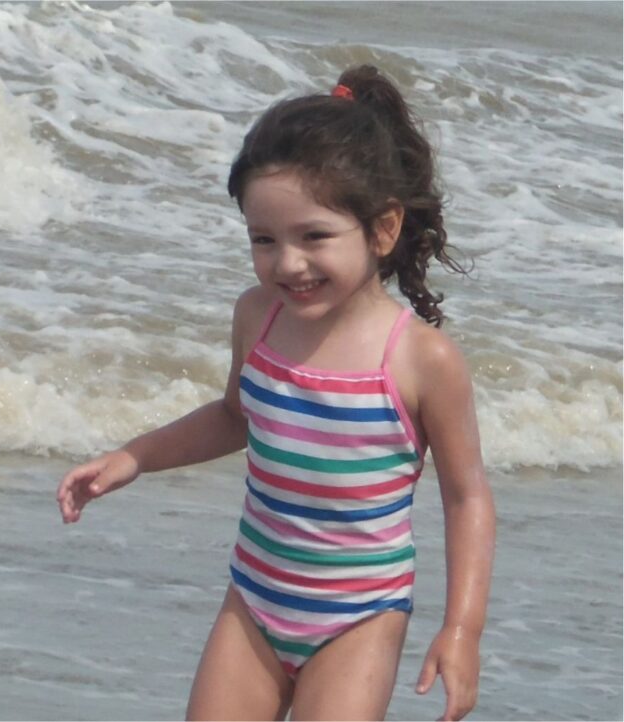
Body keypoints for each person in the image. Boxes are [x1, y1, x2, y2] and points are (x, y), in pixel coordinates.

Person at [56, 65, 495, 722]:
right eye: (264, 239)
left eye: (314, 237)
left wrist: (462, 632)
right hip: (254, 601)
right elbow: (235, 416)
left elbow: (467, 500)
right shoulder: (257, 317)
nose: (288, 263)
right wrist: (135, 457)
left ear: (382, 229)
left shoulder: (418, 359)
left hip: (359, 617)